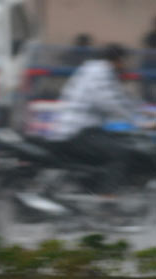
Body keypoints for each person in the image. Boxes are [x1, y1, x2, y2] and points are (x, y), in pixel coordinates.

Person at [48, 43, 155, 193]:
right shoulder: (99, 71)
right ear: (117, 60)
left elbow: (124, 99)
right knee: (121, 153)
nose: (124, 65)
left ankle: (94, 189)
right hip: (77, 132)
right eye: (123, 61)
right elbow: (110, 103)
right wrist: (140, 123)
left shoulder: (98, 71)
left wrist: (150, 112)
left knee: (121, 141)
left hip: (87, 131)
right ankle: (107, 202)